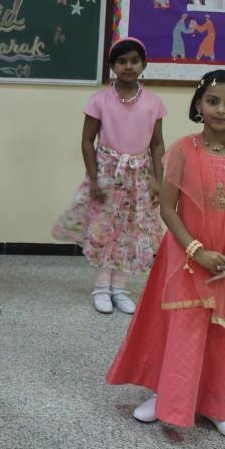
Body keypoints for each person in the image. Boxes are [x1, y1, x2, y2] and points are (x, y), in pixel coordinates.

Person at [107, 70, 225, 440]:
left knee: (220, 332)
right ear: (198, 104)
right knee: (181, 328)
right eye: (213, 101)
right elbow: (168, 208)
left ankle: (217, 404)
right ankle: (166, 395)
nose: (221, 109)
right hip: (184, 258)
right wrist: (196, 251)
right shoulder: (183, 150)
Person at [52, 38, 166, 314]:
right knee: (105, 229)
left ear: (144, 64)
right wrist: (93, 178)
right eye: (122, 61)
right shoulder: (99, 100)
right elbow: (86, 140)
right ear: (112, 66)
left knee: (130, 230)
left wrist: (157, 179)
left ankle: (120, 288)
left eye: (134, 61)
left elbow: (157, 144)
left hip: (138, 176)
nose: (128, 66)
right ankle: (102, 287)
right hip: (107, 173)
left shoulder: (153, 102)